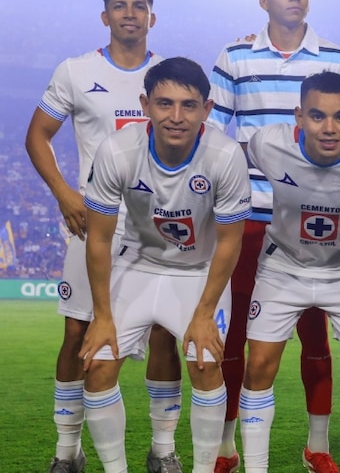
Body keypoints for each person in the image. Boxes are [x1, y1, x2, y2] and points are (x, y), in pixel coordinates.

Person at [24, 0, 183, 473]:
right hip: (95, 227)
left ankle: (162, 451)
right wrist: (66, 193)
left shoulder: (170, 78)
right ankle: (67, 453)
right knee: (77, 336)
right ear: (106, 16)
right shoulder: (75, 71)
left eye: (139, 6)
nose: (130, 13)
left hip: (158, 230)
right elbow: (37, 136)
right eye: (120, 5)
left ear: (152, 16)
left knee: (164, 337)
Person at [206, 0, 340, 473]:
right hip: (248, 217)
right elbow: (215, 138)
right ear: (263, 0)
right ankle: (226, 446)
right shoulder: (236, 56)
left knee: (316, 335)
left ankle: (318, 447)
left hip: (318, 219)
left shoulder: (337, 57)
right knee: (236, 338)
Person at [79, 57, 249, 473]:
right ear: (145, 105)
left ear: (207, 111)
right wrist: (101, 316)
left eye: (189, 105)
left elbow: (230, 242)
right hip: (137, 265)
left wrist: (205, 313)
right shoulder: (118, 150)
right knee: (98, 367)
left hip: (198, 273)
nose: (176, 117)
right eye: (164, 103)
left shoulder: (225, 157)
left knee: (207, 363)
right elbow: (99, 237)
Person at [236, 71, 340, 473]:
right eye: (317, 116)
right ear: (298, 116)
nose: (329, 128)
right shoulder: (268, 144)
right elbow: (223, 153)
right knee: (258, 365)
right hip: (283, 267)